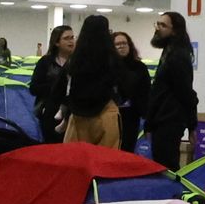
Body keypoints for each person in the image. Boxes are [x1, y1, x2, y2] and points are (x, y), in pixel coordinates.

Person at [46, 16, 122, 148]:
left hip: (78, 118)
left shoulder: (74, 60)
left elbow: (58, 90)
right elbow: (124, 86)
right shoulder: (112, 59)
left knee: (75, 162)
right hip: (106, 115)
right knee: (105, 162)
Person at [145, 11, 199, 170]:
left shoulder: (178, 56)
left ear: (174, 31)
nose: (158, 28)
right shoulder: (168, 51)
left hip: (169, 120)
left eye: (163, 25)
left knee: (166, 165)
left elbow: (186, 93)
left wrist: (192, 125)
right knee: (161, 163)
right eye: (158, 24)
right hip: (162, 119)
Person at [29, 25, 76, 143]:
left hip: (74, 113)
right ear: (56, 42)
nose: (71, 41)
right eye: (66, 38)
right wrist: (56, 86)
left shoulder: (79, 62)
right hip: (50, 112)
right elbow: (34, 88)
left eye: (72, 37)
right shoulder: (45, 62)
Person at [113, 31, 151, 152]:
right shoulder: (108, 67)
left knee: (127, 149)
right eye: (117, 44)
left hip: (131, 116)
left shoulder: (139, 67)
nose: (121, 46)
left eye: (124, 43)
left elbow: (146, 94)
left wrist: (147, 120)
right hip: (112, 115)